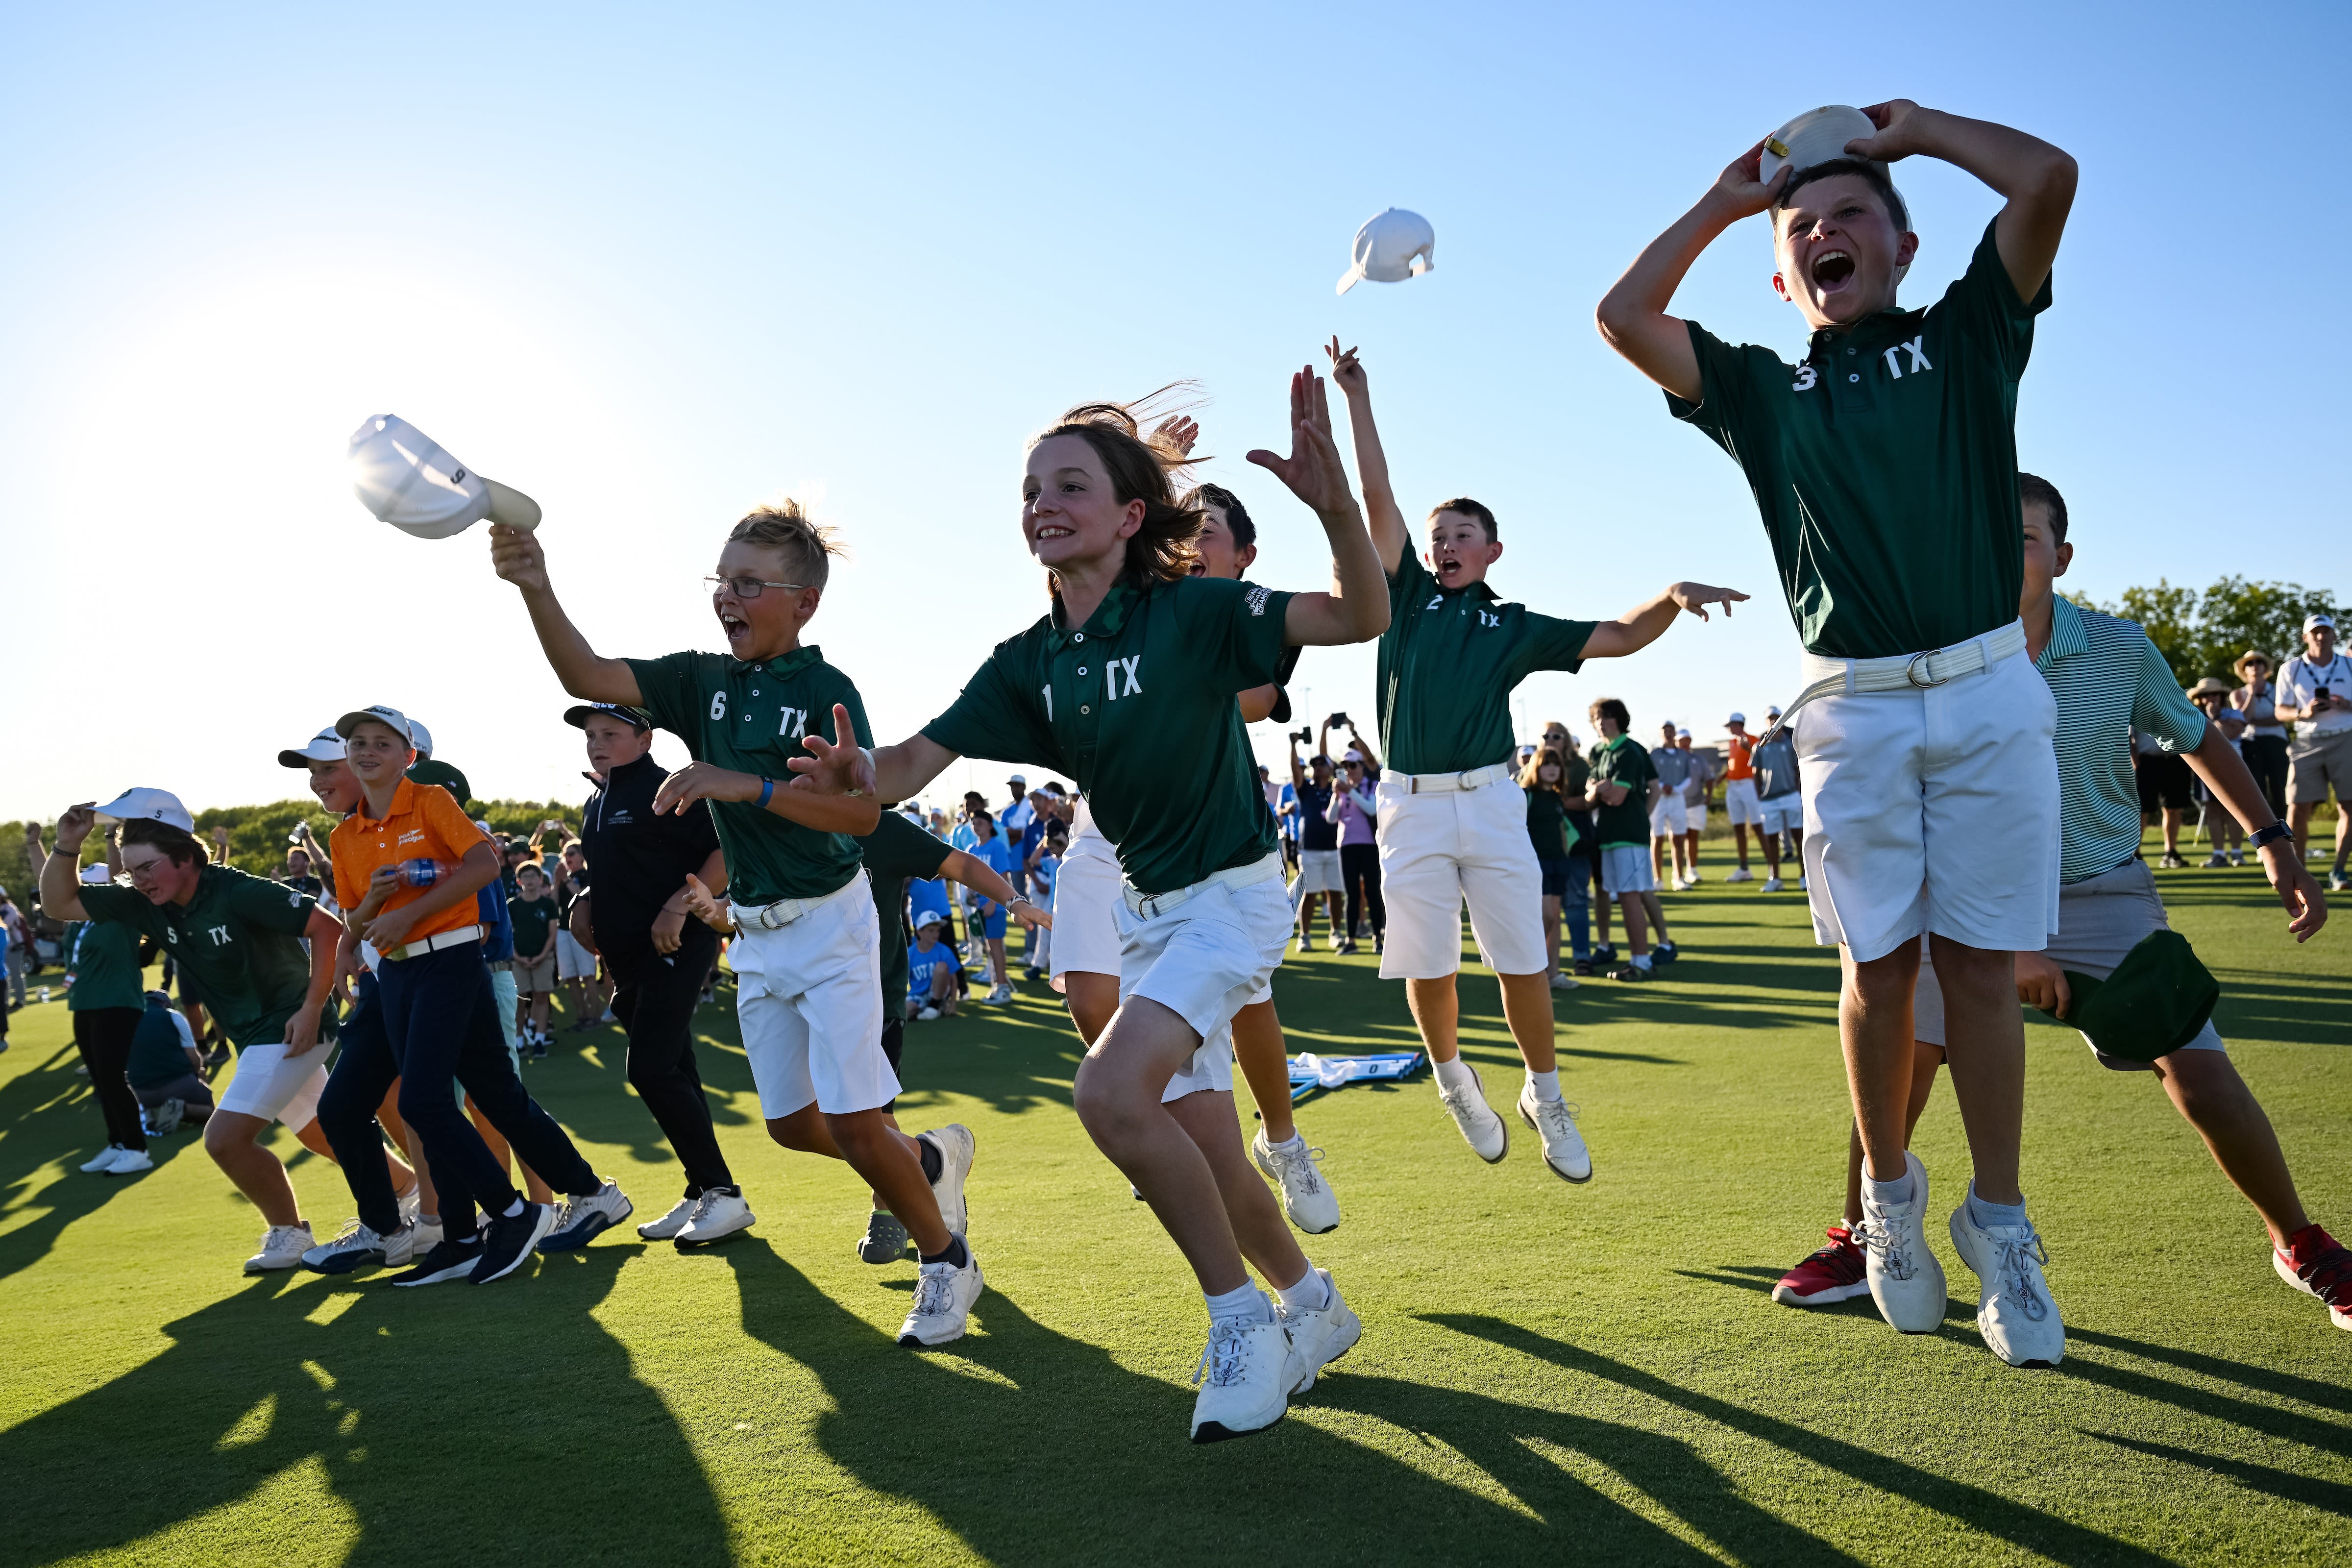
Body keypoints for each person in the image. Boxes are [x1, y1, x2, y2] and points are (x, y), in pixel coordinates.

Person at [790, 374, 1381, 1441]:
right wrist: (854, 772)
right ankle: (1314, 1306)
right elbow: (909, 764)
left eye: (1070, 484)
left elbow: (1360, 613)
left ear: (1130, 515)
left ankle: (1239, 1323)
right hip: (1153, 915)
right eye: (1030, 489)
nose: (1042, 503)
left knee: (1109, 1096)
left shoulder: (1197, 612)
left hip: (1233, 904)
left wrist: (1335, 507)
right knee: (1199, 1144)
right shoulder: (1031, 661)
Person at [1599, 99, 2079, 1366]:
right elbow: (1625, 318)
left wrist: (1912, 130)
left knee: (1980, 968)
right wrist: (1722, 199)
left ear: (1906, 248)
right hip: (1853, 704)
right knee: (1882, 969)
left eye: (1854, 214)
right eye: (1802, 224)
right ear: (1780, 269)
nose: (1826, 230)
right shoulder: (1761, 389)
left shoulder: (1970, 333)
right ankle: (1889, 1200)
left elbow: (2046, 180)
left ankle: (2005, 1221)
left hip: (1984, 685)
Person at [1773, 476, 2344, 1339]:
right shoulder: (1925, 653)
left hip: (2099, 891)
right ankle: (1865, 1238)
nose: (2005, 553)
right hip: (1955, 902)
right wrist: (2001, 945)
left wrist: (2274, 842)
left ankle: (2299, 1242)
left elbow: (2198, 740)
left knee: (2200, 1071)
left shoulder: (2117, 649)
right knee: (1902, 1062)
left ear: (2062, 556)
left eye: (2027, 538)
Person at [491, 499, 982, 1348]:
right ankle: (929, 1162)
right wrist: (535, 584)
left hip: (833, 927)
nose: (728, 597)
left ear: (805, 603)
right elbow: (588, 676)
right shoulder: (702, 680)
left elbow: (864, 821)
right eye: (722, 580)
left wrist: (744, 785)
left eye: (749, 583)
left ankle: (948, 1262)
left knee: (860, 1123)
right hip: (756, 932)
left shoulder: (828, 691)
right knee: (794, 1127)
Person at [1325, 338, 1742, 1181]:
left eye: (1461, 535)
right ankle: (1453, 1082)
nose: (1443, 543)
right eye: (1437, 534)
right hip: (1408, 804)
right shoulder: (1402, 595)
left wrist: (1669, 596)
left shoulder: (1511, 623)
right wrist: (1357, 396)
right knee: (1428, 966)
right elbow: (1376, 494)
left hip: (1487, 804)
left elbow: (1620, 637)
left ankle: (1544, 1094)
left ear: (1491, 553)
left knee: (1523, 961)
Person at [322, 706, 631, 1284]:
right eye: (358, 742)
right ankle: (518, 1218)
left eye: (381, 742)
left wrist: (408, 911)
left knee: (423, 1102)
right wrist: (371, 915)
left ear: (408, 756)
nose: (367, 751)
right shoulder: (345, 835)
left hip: (452, 962)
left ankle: (512, 1213)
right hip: (397, 973)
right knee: (496, 1094)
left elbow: (487, 864)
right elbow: (356, 913)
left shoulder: (432, 801)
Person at [39, 790, 360, 1272]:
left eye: (147, 866)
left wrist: (314, 1007)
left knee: (224, 1139)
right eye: (131, 870)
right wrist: (67, 845)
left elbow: (328, 927)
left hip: (291, 1025)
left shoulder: (236, 889)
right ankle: (407, 1194)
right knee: (320, 1132)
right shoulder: (146, 903)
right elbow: (59, 903)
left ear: (187, 856)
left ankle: (291, 1232)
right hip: (256, 1035)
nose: (138, 879)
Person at [565, 701, 754, 1248]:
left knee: (649, 1067)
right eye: (591, 735)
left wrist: (678, 903)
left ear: (646, 739)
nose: (597, 742)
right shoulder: (598, 796)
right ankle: (704, 1191)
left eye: (611, 733)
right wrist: (584, 897)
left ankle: (724, 1192)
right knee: (674, 1066)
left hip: (679, 943)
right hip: (626, 959)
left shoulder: (670, 788)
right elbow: (621, 867)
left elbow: (727, 848)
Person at [848, 806, 1043, 1262]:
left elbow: (961, 864)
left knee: (867, 1115)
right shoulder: (780, 817)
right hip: (804, 991)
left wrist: (1014, 900)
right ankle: (934, 1159)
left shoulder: (880, 826)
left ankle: (893, 1207)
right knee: (803, 1123)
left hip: (876, 994)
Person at [65, 856, 153, 1174]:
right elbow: (53, 891)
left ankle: (137, 1149)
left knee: (113, 1077)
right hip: (85, 1003)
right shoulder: (85, 920)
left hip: (117, 1002)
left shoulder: (123, 911)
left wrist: (110, 836)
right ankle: (118, 1142)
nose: (87, 890)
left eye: (92, 884)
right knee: (100, 1080)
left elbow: (122, 877)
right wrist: (35, 844)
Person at [1588, 701, 1676, 980]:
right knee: (1621, 895)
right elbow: (1595, 794)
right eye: (1598, 718)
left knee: (1630, 898)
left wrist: (1640, 817)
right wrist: (1598, 790)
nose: (1602, 722)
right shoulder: (1597, 751)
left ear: (1620, 720)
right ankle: (1640, 956)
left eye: (1608, 717)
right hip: (1607, 834)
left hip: (1629, 835)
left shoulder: (1629, 751)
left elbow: (1617, 797)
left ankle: (1642, 962)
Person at [2277, 612, 2352, 891]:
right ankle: (2300, 875)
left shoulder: (2349, 665)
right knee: (2297, 808)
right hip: (2307, 740)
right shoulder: (2291, 669)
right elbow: (2280, 711)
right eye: (2315, 632)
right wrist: (2302, 712)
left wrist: (2347, 705)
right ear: (2305, 637)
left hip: (2346, 738)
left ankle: (2339, 871)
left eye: (2326, 631)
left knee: (2349, 806)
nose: (2321, 637)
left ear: (2334, 635)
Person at [1520, 748, 1580, 991]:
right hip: (1536, 865)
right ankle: (1529, 973)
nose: (1552, 769)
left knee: (1555, 919)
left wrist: (1565, 856)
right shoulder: (1526, 795)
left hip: (1558, 864)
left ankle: (1552, 975)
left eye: (1556, 764)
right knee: (1544, 918)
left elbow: (1562, 832)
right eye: (1547, 764)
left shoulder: (1557, 797)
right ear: (1536, 767)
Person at [1325, 729, 1385, 954]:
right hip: (1347, 846)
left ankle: (1378, 937)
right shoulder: (1342, 791)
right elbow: (1331, 818)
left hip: (1369, 845)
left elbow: (1371, 809)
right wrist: (1336, 795)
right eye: (1346, 766)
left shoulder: (1372, 786)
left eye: (1354, 766)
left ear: (1362, 766)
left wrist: (1350, 791)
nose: (1350, 770)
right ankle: (1351, 940)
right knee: (1351, 894)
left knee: (1372, 891)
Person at [126, 987, 215, 1133]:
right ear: (165, 1004)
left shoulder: (125, 1020)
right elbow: (193, 1057)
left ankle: (147, 1112)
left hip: (140, 1092)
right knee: (213, 1112)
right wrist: (199, 1074)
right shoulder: (173, 1016)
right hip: (179, 1085)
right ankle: (182, 1108)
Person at [1286, 738, 1343, 951]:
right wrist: (1293, 746)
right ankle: (1305, 936)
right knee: (1310, 893)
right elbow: (1295, 771)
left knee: (1336, 893)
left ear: (1330, 768)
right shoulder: (1305, 789)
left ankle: (1336, 933)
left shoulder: (1337, 787)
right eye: (1315, 765)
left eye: (1322, 764)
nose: (1318, 767)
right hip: (1310, 849)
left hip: (1335, 848)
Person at [2187, 679, 2249, 865]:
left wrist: (2214, 718)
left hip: (2234, 767)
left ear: (2222, 696)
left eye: (2214, 694)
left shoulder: (2234, 713)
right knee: (2213, 812)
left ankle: (2237, 853)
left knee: (2234, 811)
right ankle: (2219, 854)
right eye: (2205, 695)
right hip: (2206, 767)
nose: (2210, 699)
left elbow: (2228, 734)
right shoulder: (2192, 715)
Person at [509, 861, 561, 1053]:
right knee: (520, 1000)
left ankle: (540, 1039)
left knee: (541, 997)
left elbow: (552, 934)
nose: (529, 880)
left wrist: (541, 956)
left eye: (533, 876)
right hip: (519, 959)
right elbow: (508, 934)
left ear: (541, 879)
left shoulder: (547, 904)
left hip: (543, 958)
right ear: (518, 880)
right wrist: (518, 957)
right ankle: (520, 1041)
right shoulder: (512, 905)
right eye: (525, 877)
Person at [2232, 650, 2290, 824]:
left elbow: (2282, 717)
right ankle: (2263, 829)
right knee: (2257, 789)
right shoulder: (2238, 694)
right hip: (2251, 745)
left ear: (2265, 667)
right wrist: (2252, 695)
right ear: (2245, 670)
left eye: (2259, 662)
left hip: (2277, 743)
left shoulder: (2278, 690)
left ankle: (2284, 826)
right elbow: (2242, 719)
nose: (2255, 666)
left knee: (2280, 788)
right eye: (2250, 663)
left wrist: (2255, 720)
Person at [1751, 710, 1805, 891]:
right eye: (1770, 718)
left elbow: (1797, 770)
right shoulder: (1760, 746)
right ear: (1766, 722)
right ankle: (1775, 878)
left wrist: (1799, 793)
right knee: (1772, 838)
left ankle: (1805, 876)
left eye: (1777, 717)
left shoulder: (1791, 742)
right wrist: (1758, 796)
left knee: (1799, 836)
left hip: (1791, 795)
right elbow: (1755, 774)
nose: (1774, 721)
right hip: (1769, 799)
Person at [2133, 725, 2193, 868]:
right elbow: (2128, 735)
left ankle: (2170, 852)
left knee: (2173, 808)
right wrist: (2134, 759)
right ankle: (2135, 853)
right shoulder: (2134, 704)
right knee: (2142, 810)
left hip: (2175, 760)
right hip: (2147, 761)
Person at [1648, 721, 1694, 889]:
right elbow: (1649, 776)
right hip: (1657, 799)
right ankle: (1658, 880)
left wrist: (1675, 789)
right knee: (1657, 838)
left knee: (1678, 838)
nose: (1668, 733)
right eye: (1665, 731)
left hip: (1677, 798)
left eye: (1671, 731)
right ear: (1661, 734)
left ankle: (1679, 878)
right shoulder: (1654, 754)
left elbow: (1688, 777)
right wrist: (1661, 787)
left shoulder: (1682, 755)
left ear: (1675, 733)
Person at [1719, 712, 1763, 882]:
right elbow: (1734, 765)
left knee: (1758, 826)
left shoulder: (1753, 739)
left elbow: (1757, 760)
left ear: (1739, 724)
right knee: (1738, 827)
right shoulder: (1731, 742)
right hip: (1733, 786)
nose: (1729, 729)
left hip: (1748, 784)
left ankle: (1772, 869)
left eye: (1731, 725)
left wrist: (1747, 748)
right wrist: (1722, 777)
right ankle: (1744, 869)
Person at [907, 911, 959, 1020]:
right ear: (919, 931)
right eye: (931, 931)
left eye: (938, 931)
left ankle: (935, 1005)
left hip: (938, 994)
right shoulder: (910, 953)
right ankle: (925, 1012)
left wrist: (954, 1005)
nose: (936, 934)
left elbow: (954, 979)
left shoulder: (944, 951)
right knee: (905, 1010)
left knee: (941, 967)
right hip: (917, 996)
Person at [1677, 729, 1715, 881]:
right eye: (1681, 741)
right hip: (1677, 804)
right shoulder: (1672, 760)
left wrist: (1710, 795)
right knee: (1679, 838)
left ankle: (1691, 870)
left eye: (1687, 740)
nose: (1684, 743)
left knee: (1693, 836)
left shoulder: (1699, 759)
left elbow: (1709, 778)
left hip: (1697, 803)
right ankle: (1678, 874)